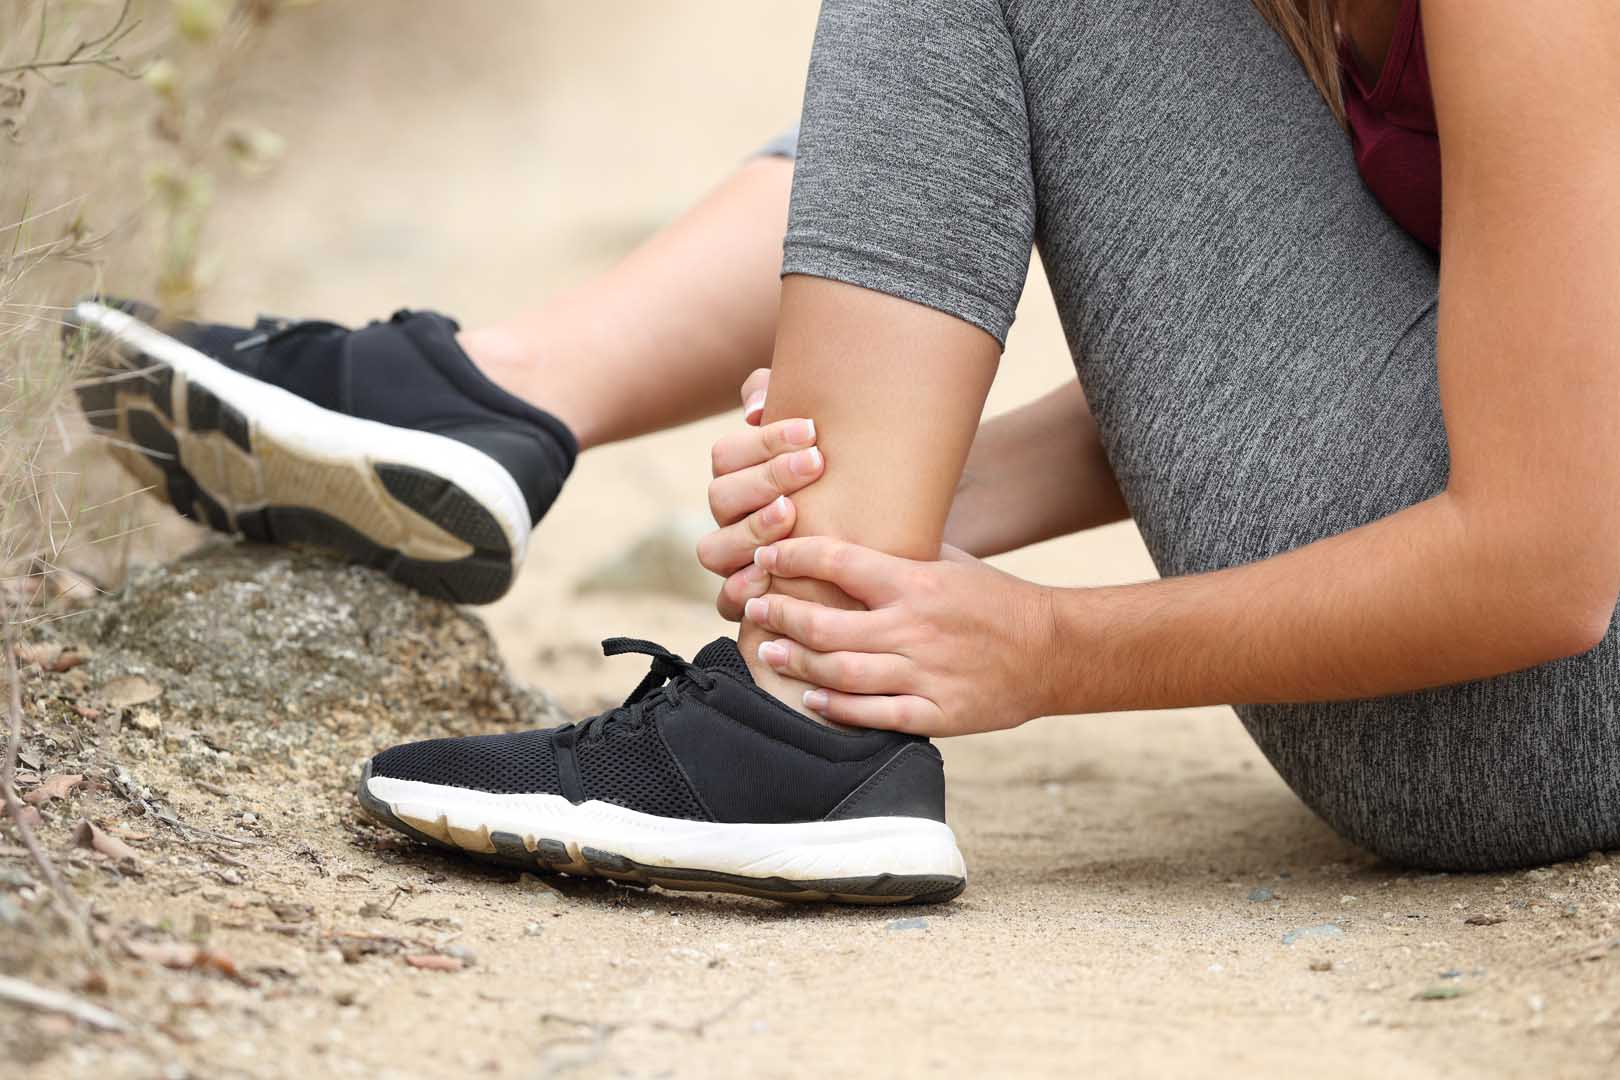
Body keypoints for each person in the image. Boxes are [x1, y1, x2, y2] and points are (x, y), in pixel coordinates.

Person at [69, 0, 1620, 904]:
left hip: (1521, 712)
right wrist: (914, 517)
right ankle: (499, 408)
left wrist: (1047, 653)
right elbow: (1350, 347)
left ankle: (780, 714)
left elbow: (1548, 563)